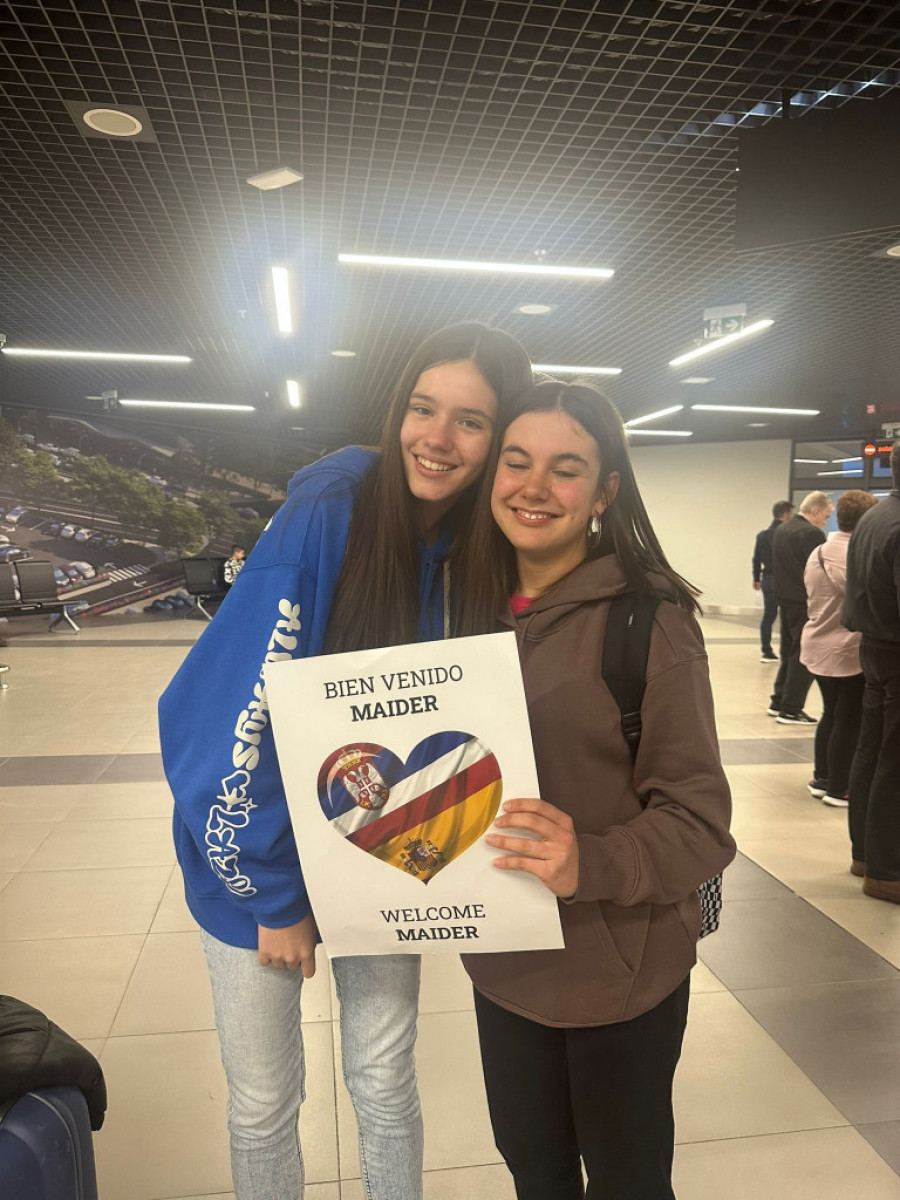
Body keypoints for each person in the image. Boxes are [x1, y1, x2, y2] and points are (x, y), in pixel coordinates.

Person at [158, 323, 532, 1200]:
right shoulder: (329, 512)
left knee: (385, 1078)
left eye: (471, 421)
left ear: (499, 438)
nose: (437, 438)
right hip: (254, 860)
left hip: (384, 850)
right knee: (263, 1102)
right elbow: (229, 722)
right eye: (423, 409)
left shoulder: (479, 548)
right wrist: (274, 896)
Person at [462, 381, 735, 1200]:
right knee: (534, 1167)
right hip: (505, 962)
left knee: (627, 1178)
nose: (534, 487)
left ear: (605, 491)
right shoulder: (461, 611)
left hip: (622, 967)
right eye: (516, 462)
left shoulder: (649, 622)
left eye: (566, 468)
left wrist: (591, 860)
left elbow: (700, 821)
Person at [843, 441, 900, 903]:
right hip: (897, 649)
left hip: (873, 647)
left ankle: (864, 853)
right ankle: (886, 871)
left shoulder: (874, 516)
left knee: (871, 747)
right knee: (895, 759)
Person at [800, 491, 877, 807]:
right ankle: (839, 787)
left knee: (831, 713)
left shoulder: (818, 551)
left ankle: (822, 778)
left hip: (816, 642)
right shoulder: (857, 555)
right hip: (846, 648)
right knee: (848, 718)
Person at [768, 490, 833, 724]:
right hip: (804, 601)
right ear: (816, 511)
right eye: (825, 516)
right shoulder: (811, 534)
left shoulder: (783, 529)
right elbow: (818, 570)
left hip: (785, 599)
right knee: (804, 654)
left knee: (789, 652)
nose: (824, 522)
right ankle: (791, 708)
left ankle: (778, 701)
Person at [753, 500, 793, 662]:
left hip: (768, 578)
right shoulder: (787, 534)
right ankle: (788, 650)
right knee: (787, 616)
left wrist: (756, 578)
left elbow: (756, 559)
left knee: (769, 615)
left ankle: (766, 650)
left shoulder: (762, 536)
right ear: (786, 514)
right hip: (784, 579)